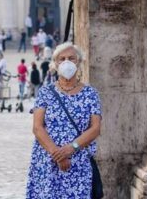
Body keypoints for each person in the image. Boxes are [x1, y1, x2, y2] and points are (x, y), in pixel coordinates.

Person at [25, 43, 102, 198]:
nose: (67, 62)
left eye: (71, 58)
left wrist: (71, 148)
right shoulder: (45, 92)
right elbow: (38, 127)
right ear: (55, 63)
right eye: (62, 59)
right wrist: (58, 154)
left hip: (78, 162)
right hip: (47, 161)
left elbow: (95, 128)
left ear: (79, 62)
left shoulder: (90, 94)